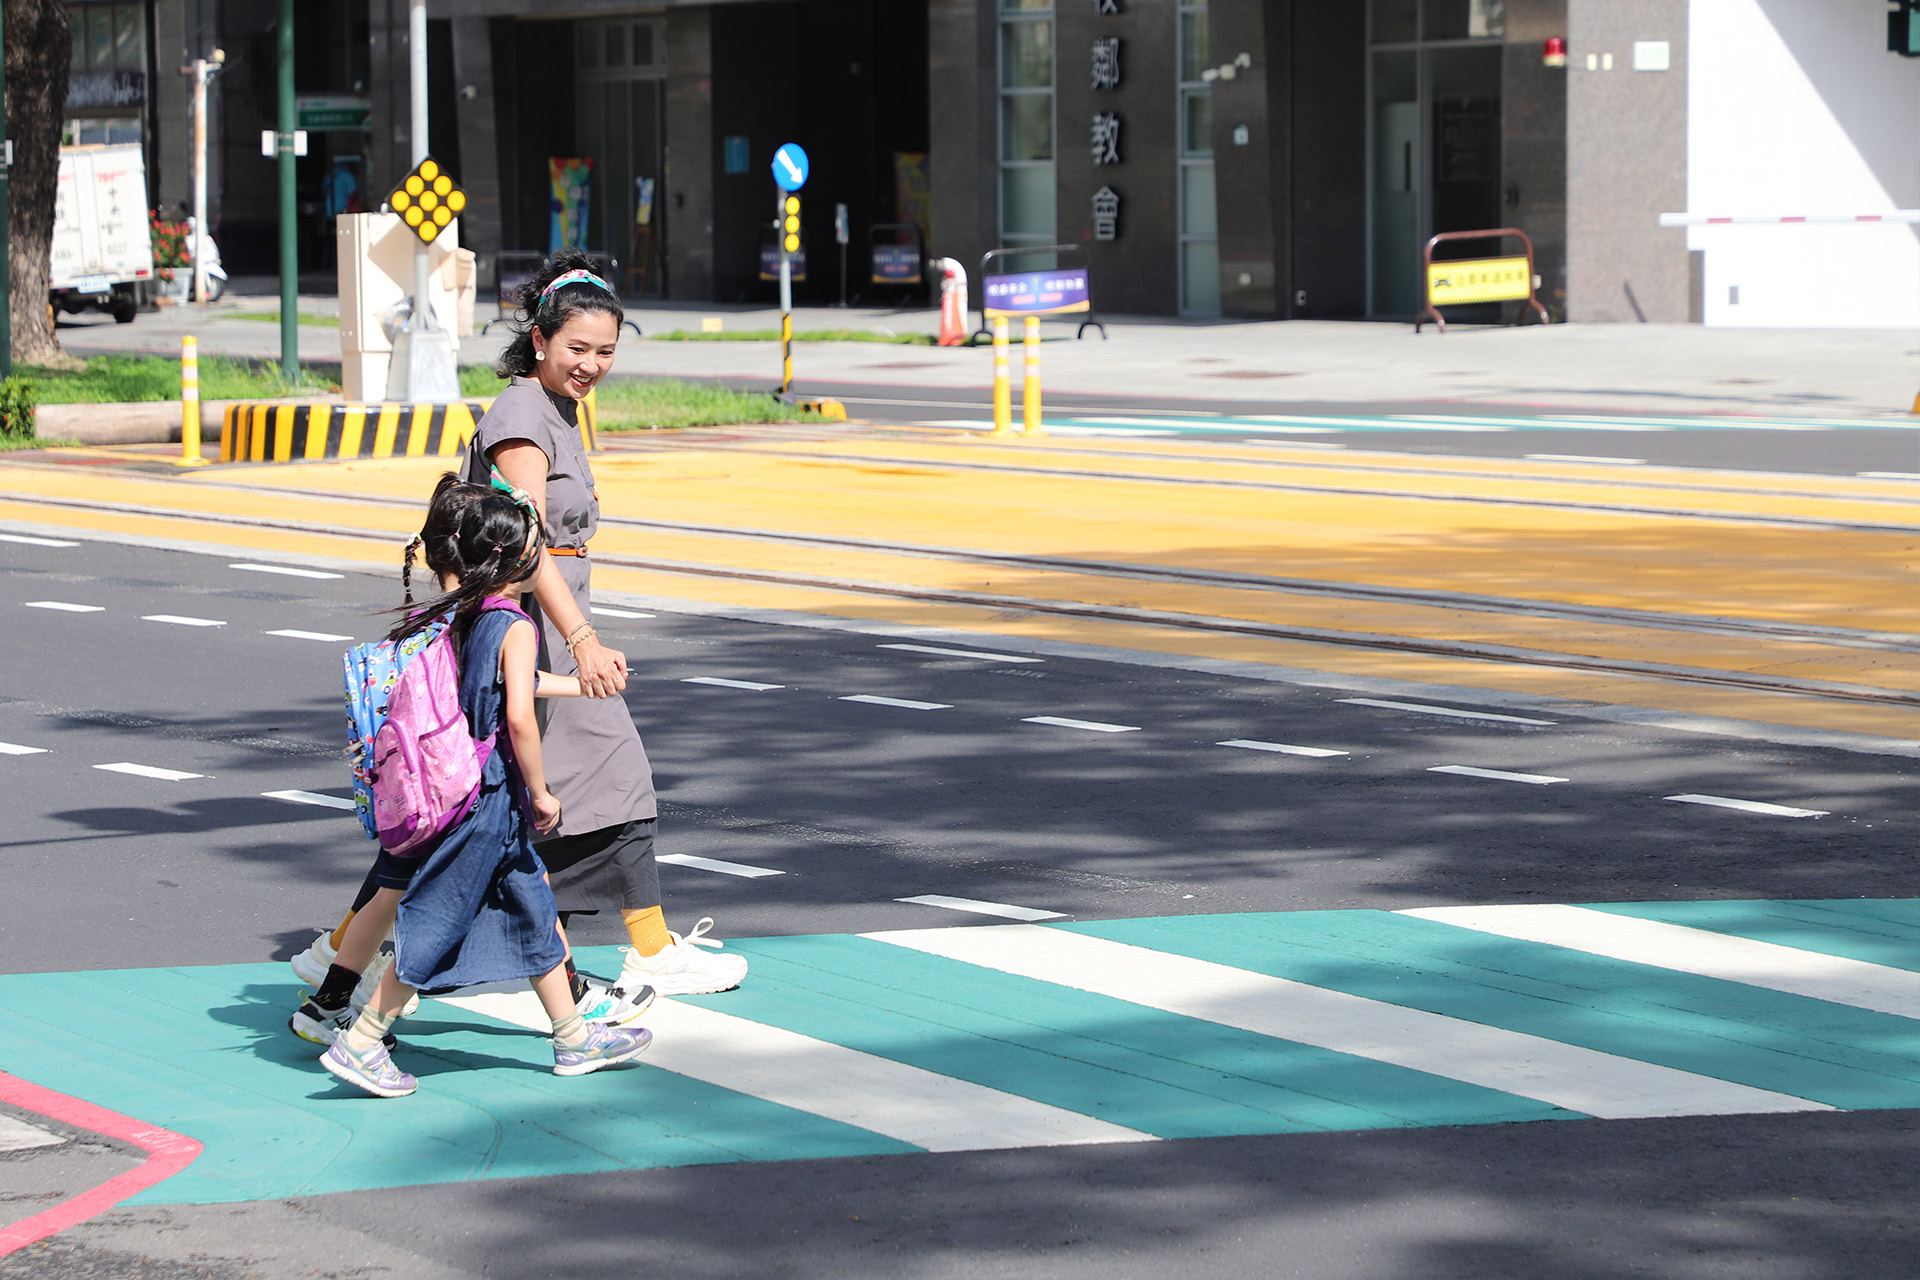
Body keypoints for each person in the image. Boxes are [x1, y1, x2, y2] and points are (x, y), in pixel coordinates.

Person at [459, 249, 747, 997]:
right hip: (531, 625)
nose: (591, 364)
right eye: (577, 349)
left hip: (551, 618)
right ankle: (355, 958)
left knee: (520, 799)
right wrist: (582, 640)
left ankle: (348, 954)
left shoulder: (554, 408)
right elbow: (524, 538)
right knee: (591, 781)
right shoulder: (522, 413)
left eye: (605, 352)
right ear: (540, 341)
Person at [320, 476, 654, 1099]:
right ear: (518, 561)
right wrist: (542, 791)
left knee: (532, 908)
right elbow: (520, 717)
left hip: (474, 795)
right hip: (488, 797)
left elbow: (508, 691)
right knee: (440, 921)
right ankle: (363, 1040)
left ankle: (573, 1034)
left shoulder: (465, 615)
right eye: (536, 547)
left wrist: (581, 687)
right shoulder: (517, 626)